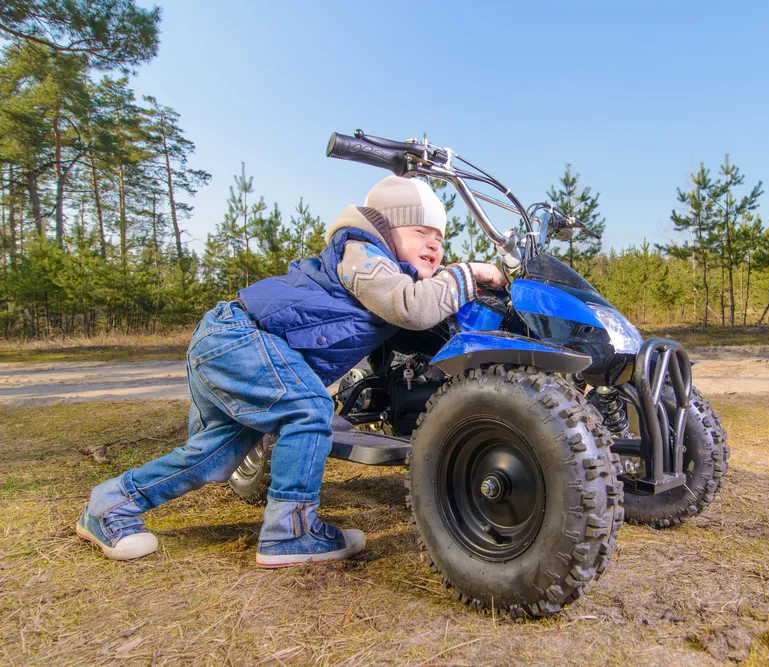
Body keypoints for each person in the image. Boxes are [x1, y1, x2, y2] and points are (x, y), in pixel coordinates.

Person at [76, 175, 506, 568]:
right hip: (239, 337)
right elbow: (410, 306)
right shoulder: (364, 254)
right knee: (309, 409)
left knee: (213, 458)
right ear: (383, 228)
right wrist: (469, 274)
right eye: (421, 232)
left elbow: (414, 317)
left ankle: (110, 505)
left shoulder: (389, 273)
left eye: (440, 239)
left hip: (230, 342)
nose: (434, 245)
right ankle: (291, 532)